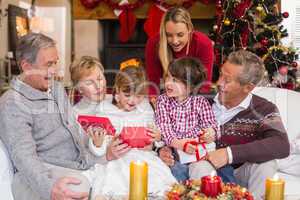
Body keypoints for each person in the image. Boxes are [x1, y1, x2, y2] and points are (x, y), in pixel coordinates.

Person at [0, 33, 127, 200]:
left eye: (56, 62)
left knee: (122, 171)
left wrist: (103, 156)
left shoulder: (57, 88)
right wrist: (50, 188)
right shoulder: (12, 103)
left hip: (77, 165)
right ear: (26, 67)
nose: (54, 71)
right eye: (48, 64)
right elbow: (24, 157)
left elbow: (75, 131)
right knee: (83, 187)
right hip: (45, 173)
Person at [159, 50, 290, 199]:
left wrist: (228, 154)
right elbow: (173, 127)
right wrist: (165, 149)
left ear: (248, 87)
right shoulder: (199, 99)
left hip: (239, 174)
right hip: (202, 170)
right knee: (200, 166)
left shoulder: (264, 109)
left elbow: (281, 145)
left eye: (227, 80)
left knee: (267, 164)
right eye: (220, 74)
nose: (219, 83)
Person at [73, 65, 176, 198]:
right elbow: (98, 148)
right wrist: (98, 144)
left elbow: (157, 140)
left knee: (155, 181)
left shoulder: (145, 108)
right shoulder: (104, 109)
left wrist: (157, 139)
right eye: (127, 95)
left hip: (143, 158)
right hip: (116, 159)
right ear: (117, 91)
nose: (133, 101)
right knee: (115, 180)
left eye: (138, 96)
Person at [154, 57, 231, 182]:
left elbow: (212, 125)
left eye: (175, 80)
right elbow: (164, 128)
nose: (168, 83)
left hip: (198, 153)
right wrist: (180, 144)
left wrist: (210, 133)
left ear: (190, 87)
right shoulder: (163, 101)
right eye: (168, 77)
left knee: (204, 172)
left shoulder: (200, 102)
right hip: (174, 151)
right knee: (173, 173)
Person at [145, 7, 214, 97]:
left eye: (180, 35)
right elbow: (152, 83)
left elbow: (204, 85)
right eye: (169, 35)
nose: (175, 41)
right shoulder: (154, 43)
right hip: (166, 94)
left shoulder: (203, 43)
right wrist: (155, 100)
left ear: (189, 29)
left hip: (194, 96)